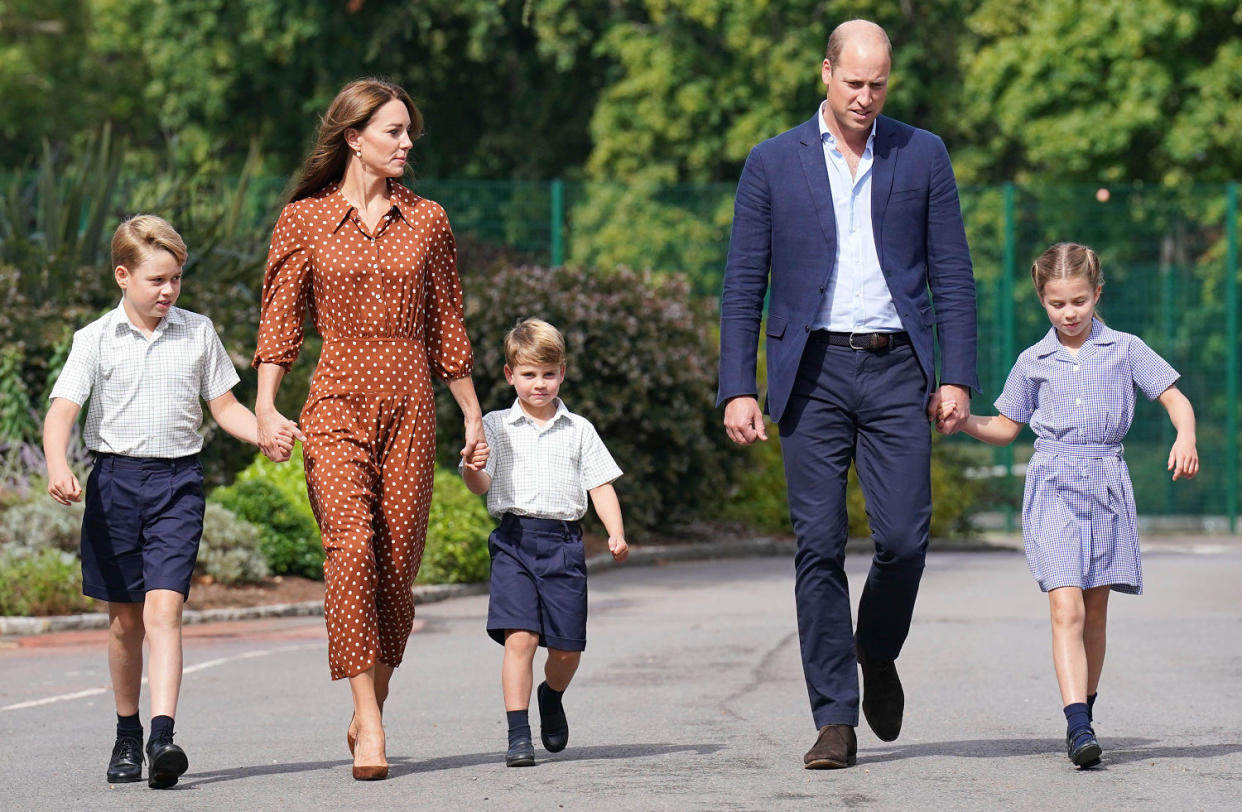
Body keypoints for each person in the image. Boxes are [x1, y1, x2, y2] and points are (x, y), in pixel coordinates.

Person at [717, 19, 978, 769]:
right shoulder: (772, 163)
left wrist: (955, 374)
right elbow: (743, 285)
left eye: (878, 84)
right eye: (853, 82)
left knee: (902, 541)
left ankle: (877, 649)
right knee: (819, 545)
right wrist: (739, 387)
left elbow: (952, 273)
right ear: (825, 72)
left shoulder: (921, 153)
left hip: (898, 368)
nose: (866, 97)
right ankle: (834, 717)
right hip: (812, 372)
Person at [252, 77, 486, 781]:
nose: (407, 143)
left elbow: (447, 325)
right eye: (393, 131)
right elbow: (279, 323)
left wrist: (473, 413)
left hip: (413, 402)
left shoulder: (430, 220)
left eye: (409, 131)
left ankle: (365, 708)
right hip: (336, 404)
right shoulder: (303, 221)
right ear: (354, 138)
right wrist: (266, 405)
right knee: (351, 550)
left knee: (395, 568)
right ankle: (376, 726)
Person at [43, 215, 282, 789]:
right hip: (114, 486)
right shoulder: (94, 339)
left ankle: (162, 737)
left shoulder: (198, 332)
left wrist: (265, 433)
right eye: (156, 280)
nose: (169, 291)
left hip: (178, 486)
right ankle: (127, 734)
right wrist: (57, 464)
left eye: (176, 279)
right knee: (125, 622)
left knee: (163, 611)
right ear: (123, 276)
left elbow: (224, 409)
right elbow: (61, 412)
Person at [941, 242, 1198, 767]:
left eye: (1079, 301)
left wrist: (1186, 436)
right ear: (1042, 300)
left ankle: (1087, 711)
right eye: (1058, 304)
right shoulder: (1032, 361)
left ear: (1096, 293)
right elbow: (1007, 427)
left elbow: (1174, 397)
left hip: (1106, 481)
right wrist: (963, 421)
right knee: (1067, 605)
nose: (1070, 313)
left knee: (1096, 610)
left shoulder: (1125, 349)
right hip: (1053, 483)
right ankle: (1077, 725)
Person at [460, 318, 628, 767]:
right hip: (514, 542)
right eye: (529, 374)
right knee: (521, 638)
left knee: (567, 648)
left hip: (564, 545)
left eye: (548, 374)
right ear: (509, 375)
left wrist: (615, 531)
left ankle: (551, 696)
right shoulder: (495, 426)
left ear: (563, 373)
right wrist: (470, 466)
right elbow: (480, 485)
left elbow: (601, 485)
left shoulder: (579, 429)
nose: (539, 384)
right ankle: (518, 735)